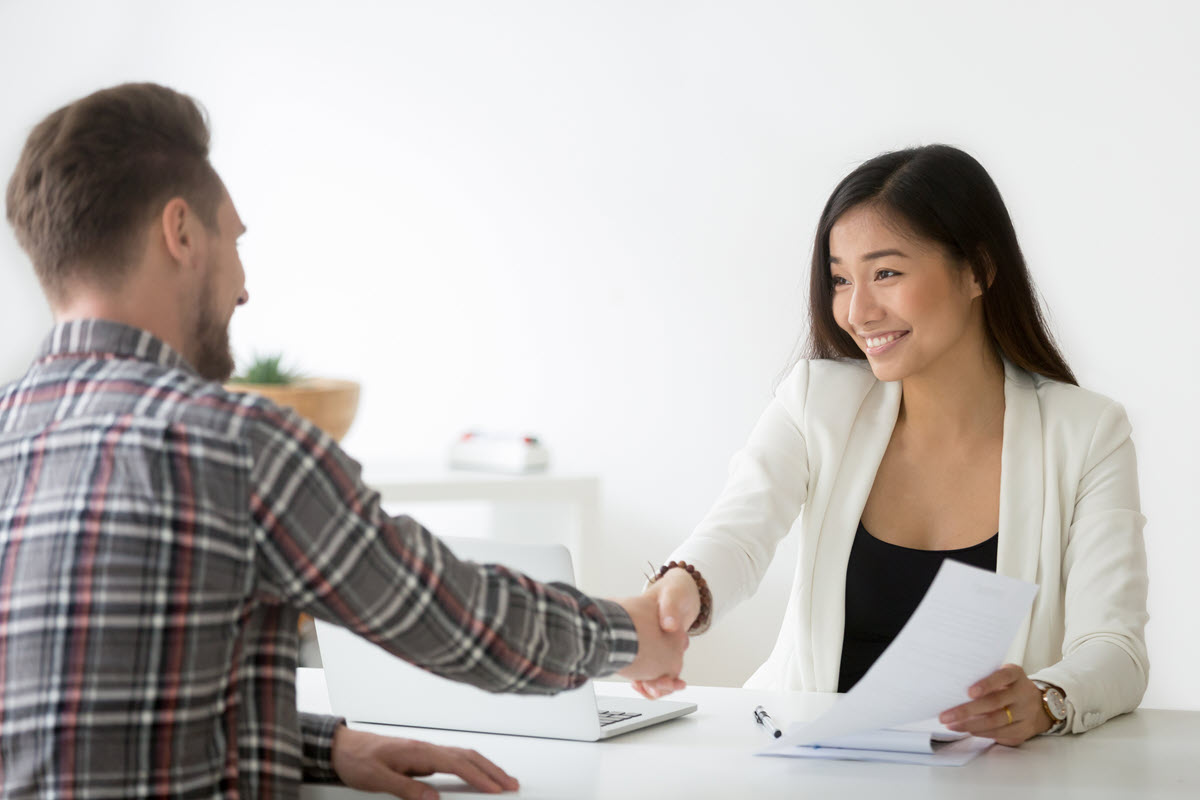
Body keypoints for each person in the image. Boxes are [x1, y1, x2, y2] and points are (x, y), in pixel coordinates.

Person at [0, 83, 688, 800]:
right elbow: (453, 615)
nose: (242, 287)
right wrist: (632, 633)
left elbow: (79, 719)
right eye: (234, 239)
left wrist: (328, 746)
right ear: (180, 233)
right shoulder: (234, 445)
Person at [634, 144, 1148, 746]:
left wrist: (1047, 699)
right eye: (840, 279)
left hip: (988, 775)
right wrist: (678, 592)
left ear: (978, 270)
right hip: (807, 761)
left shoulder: (1086, 433)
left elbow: (1115, 648)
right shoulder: (816, 401)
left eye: (886, 273)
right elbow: (738, 533)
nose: (857, 311)